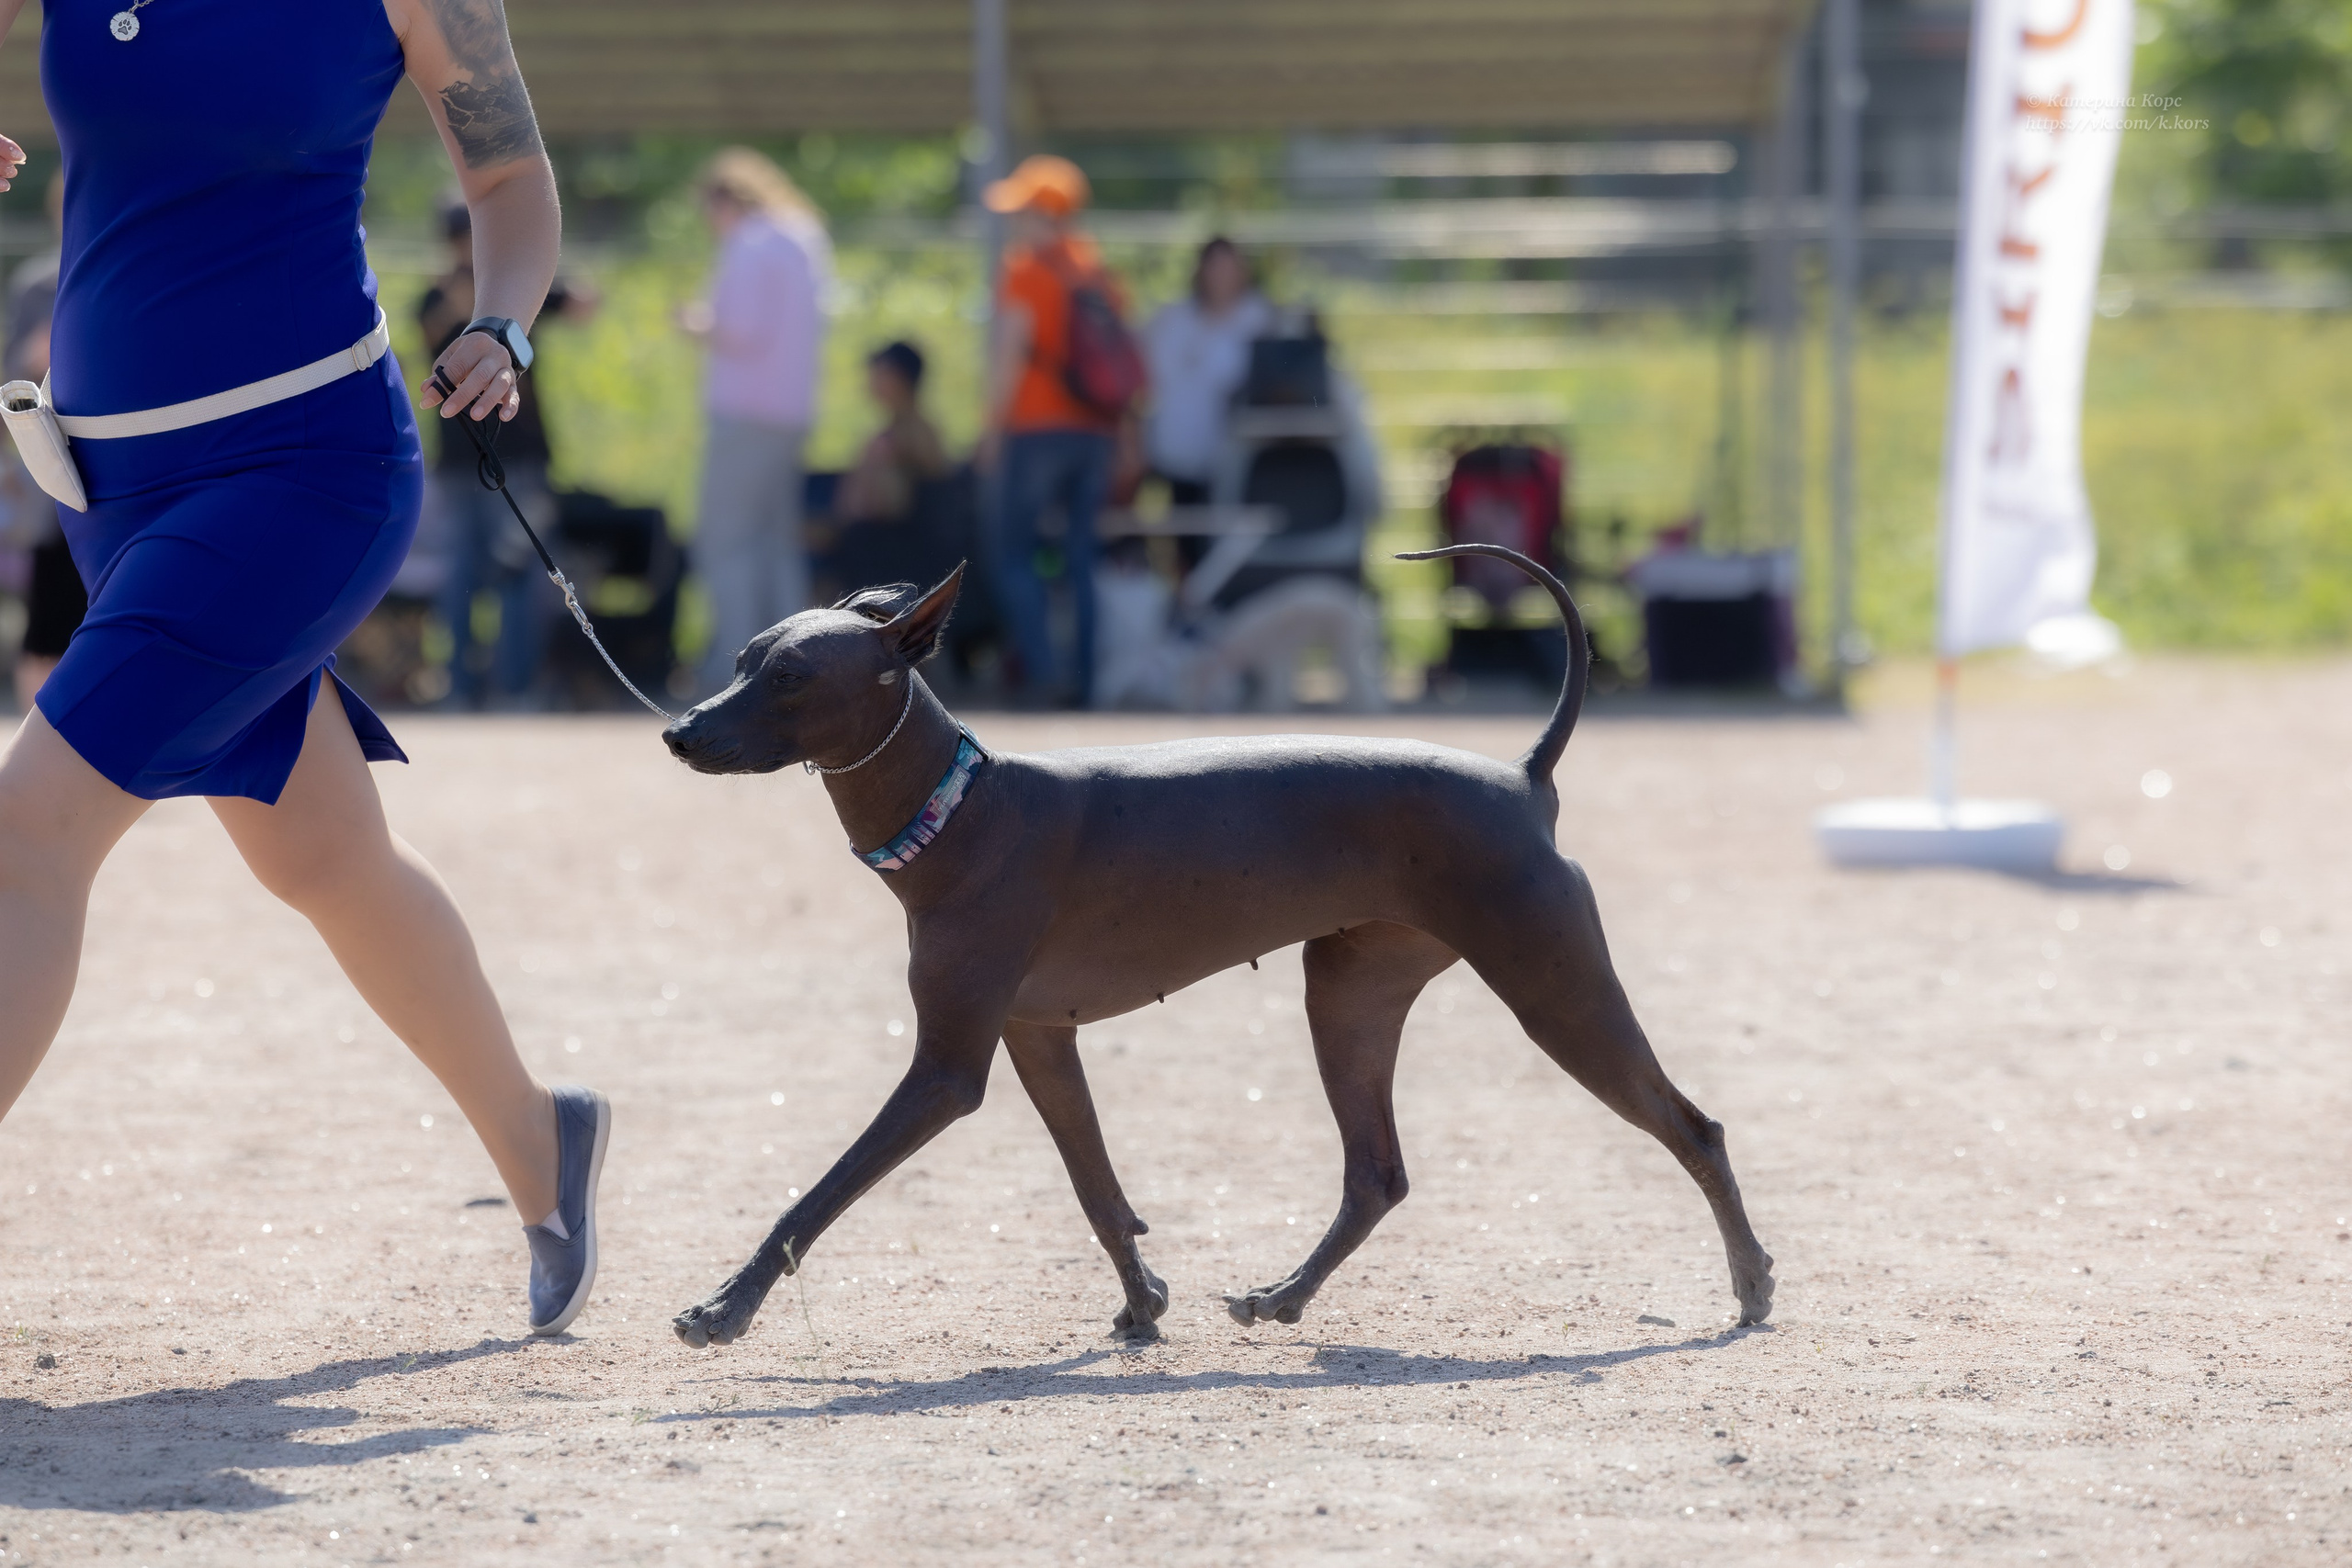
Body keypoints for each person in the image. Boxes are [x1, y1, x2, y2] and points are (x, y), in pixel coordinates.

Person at [0, 0, 608, 1337]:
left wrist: (502, 325)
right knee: (321, 857)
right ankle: (539, 1140)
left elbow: (507, 177)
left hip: (304, 473)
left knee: (27, 823)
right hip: (110, 490)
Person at [417, 195, 598, 709]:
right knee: (461, 577)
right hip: (461, 459)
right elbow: (430, 329)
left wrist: (539, 268)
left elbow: (585, 304)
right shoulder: (444, 293)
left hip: (518, 454)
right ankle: (460, 686)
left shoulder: (515, 291)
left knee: (520, 575)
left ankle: (513, 686)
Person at [978, 153, 1136, 707]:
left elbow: (1009, 353)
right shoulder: (1096, 272)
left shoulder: (1024, 270)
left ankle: (1045, 674)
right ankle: (1085, 682)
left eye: (1023, 209)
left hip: (1035, 428)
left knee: (1014, 553)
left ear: (1045, 212)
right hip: (1093, 433)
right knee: (1080, 558)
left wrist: (992, 429)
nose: (1017, 221)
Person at [678, 147, 831, 694]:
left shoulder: (751, 242)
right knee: (775, 544)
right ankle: (798, 669)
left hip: (745, 412)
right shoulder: (805, 236)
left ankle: (733, 673)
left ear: (726, 199)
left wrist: (696, 323)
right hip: (791, 412)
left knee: (727, 542)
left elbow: (741, 329)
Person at [1143, 236, 1273, 508]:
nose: (1220, 277)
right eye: (1214, 267)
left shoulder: (1261, 322)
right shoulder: (1172, 320)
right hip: (1174, 454)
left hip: (1235, 459)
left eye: (1228, 267)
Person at [835, 341, 947, 525]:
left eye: (881, 373)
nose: (872, 382)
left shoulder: (906, 439)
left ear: (900, 379)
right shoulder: (895, 434)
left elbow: (868, 509)